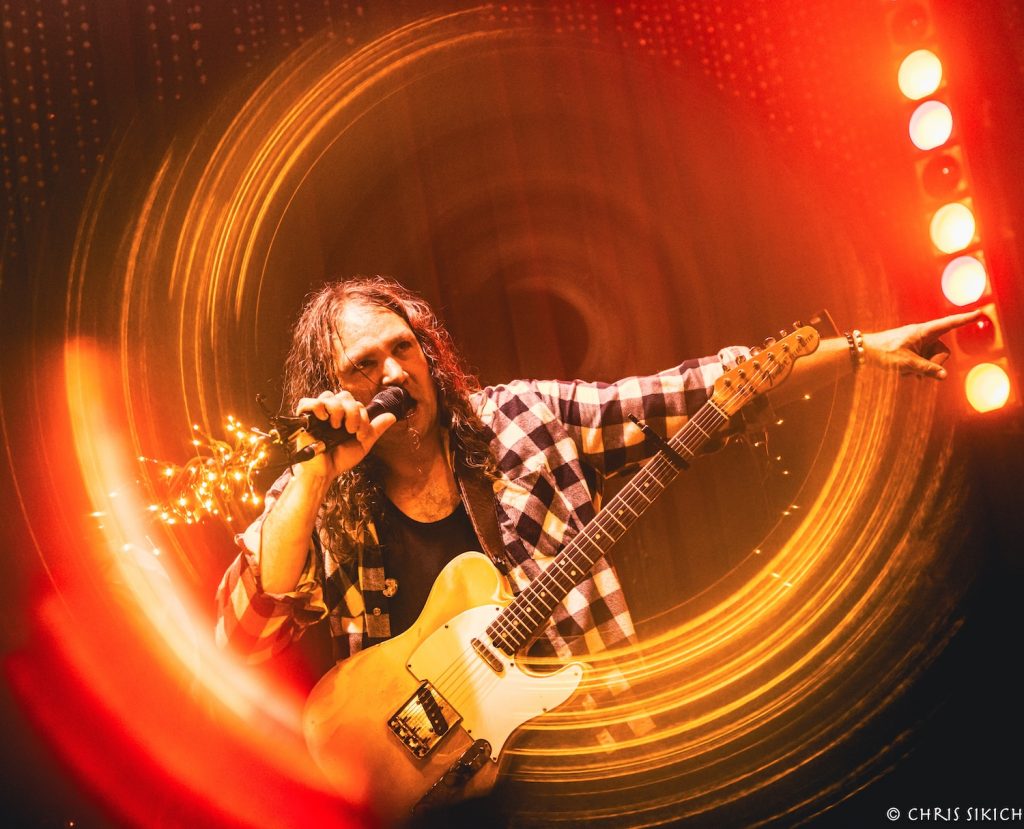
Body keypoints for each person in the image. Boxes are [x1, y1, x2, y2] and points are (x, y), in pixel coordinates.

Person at [216, 276, 978, 669]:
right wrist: (316, 471)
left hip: (588, 749)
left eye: (403, 348)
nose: (394, 371)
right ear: (333, 388)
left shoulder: (523, 418)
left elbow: (695, 393)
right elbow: (247, 633)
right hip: (429, 793)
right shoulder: (317, 492)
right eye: (364, 365)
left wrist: (860, 350)